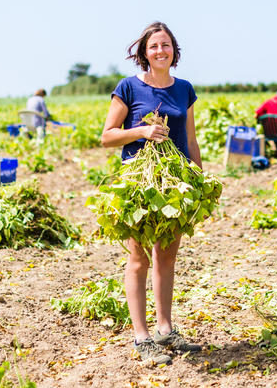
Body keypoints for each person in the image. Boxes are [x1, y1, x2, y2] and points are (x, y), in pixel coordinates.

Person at [101, 21, 203, 365]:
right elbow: (107, 136)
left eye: (167, 45)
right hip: (139, 183)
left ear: (175, 51)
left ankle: (165, 329)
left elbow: (189, 137)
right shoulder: (128, 87)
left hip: (175, 184)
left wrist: (198, 180)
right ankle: (141, 336)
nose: (161, 51)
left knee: (167, 256)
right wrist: (142, 130)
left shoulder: (184, 89)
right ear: (144, 53)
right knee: (139, 258)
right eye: (154, 46)